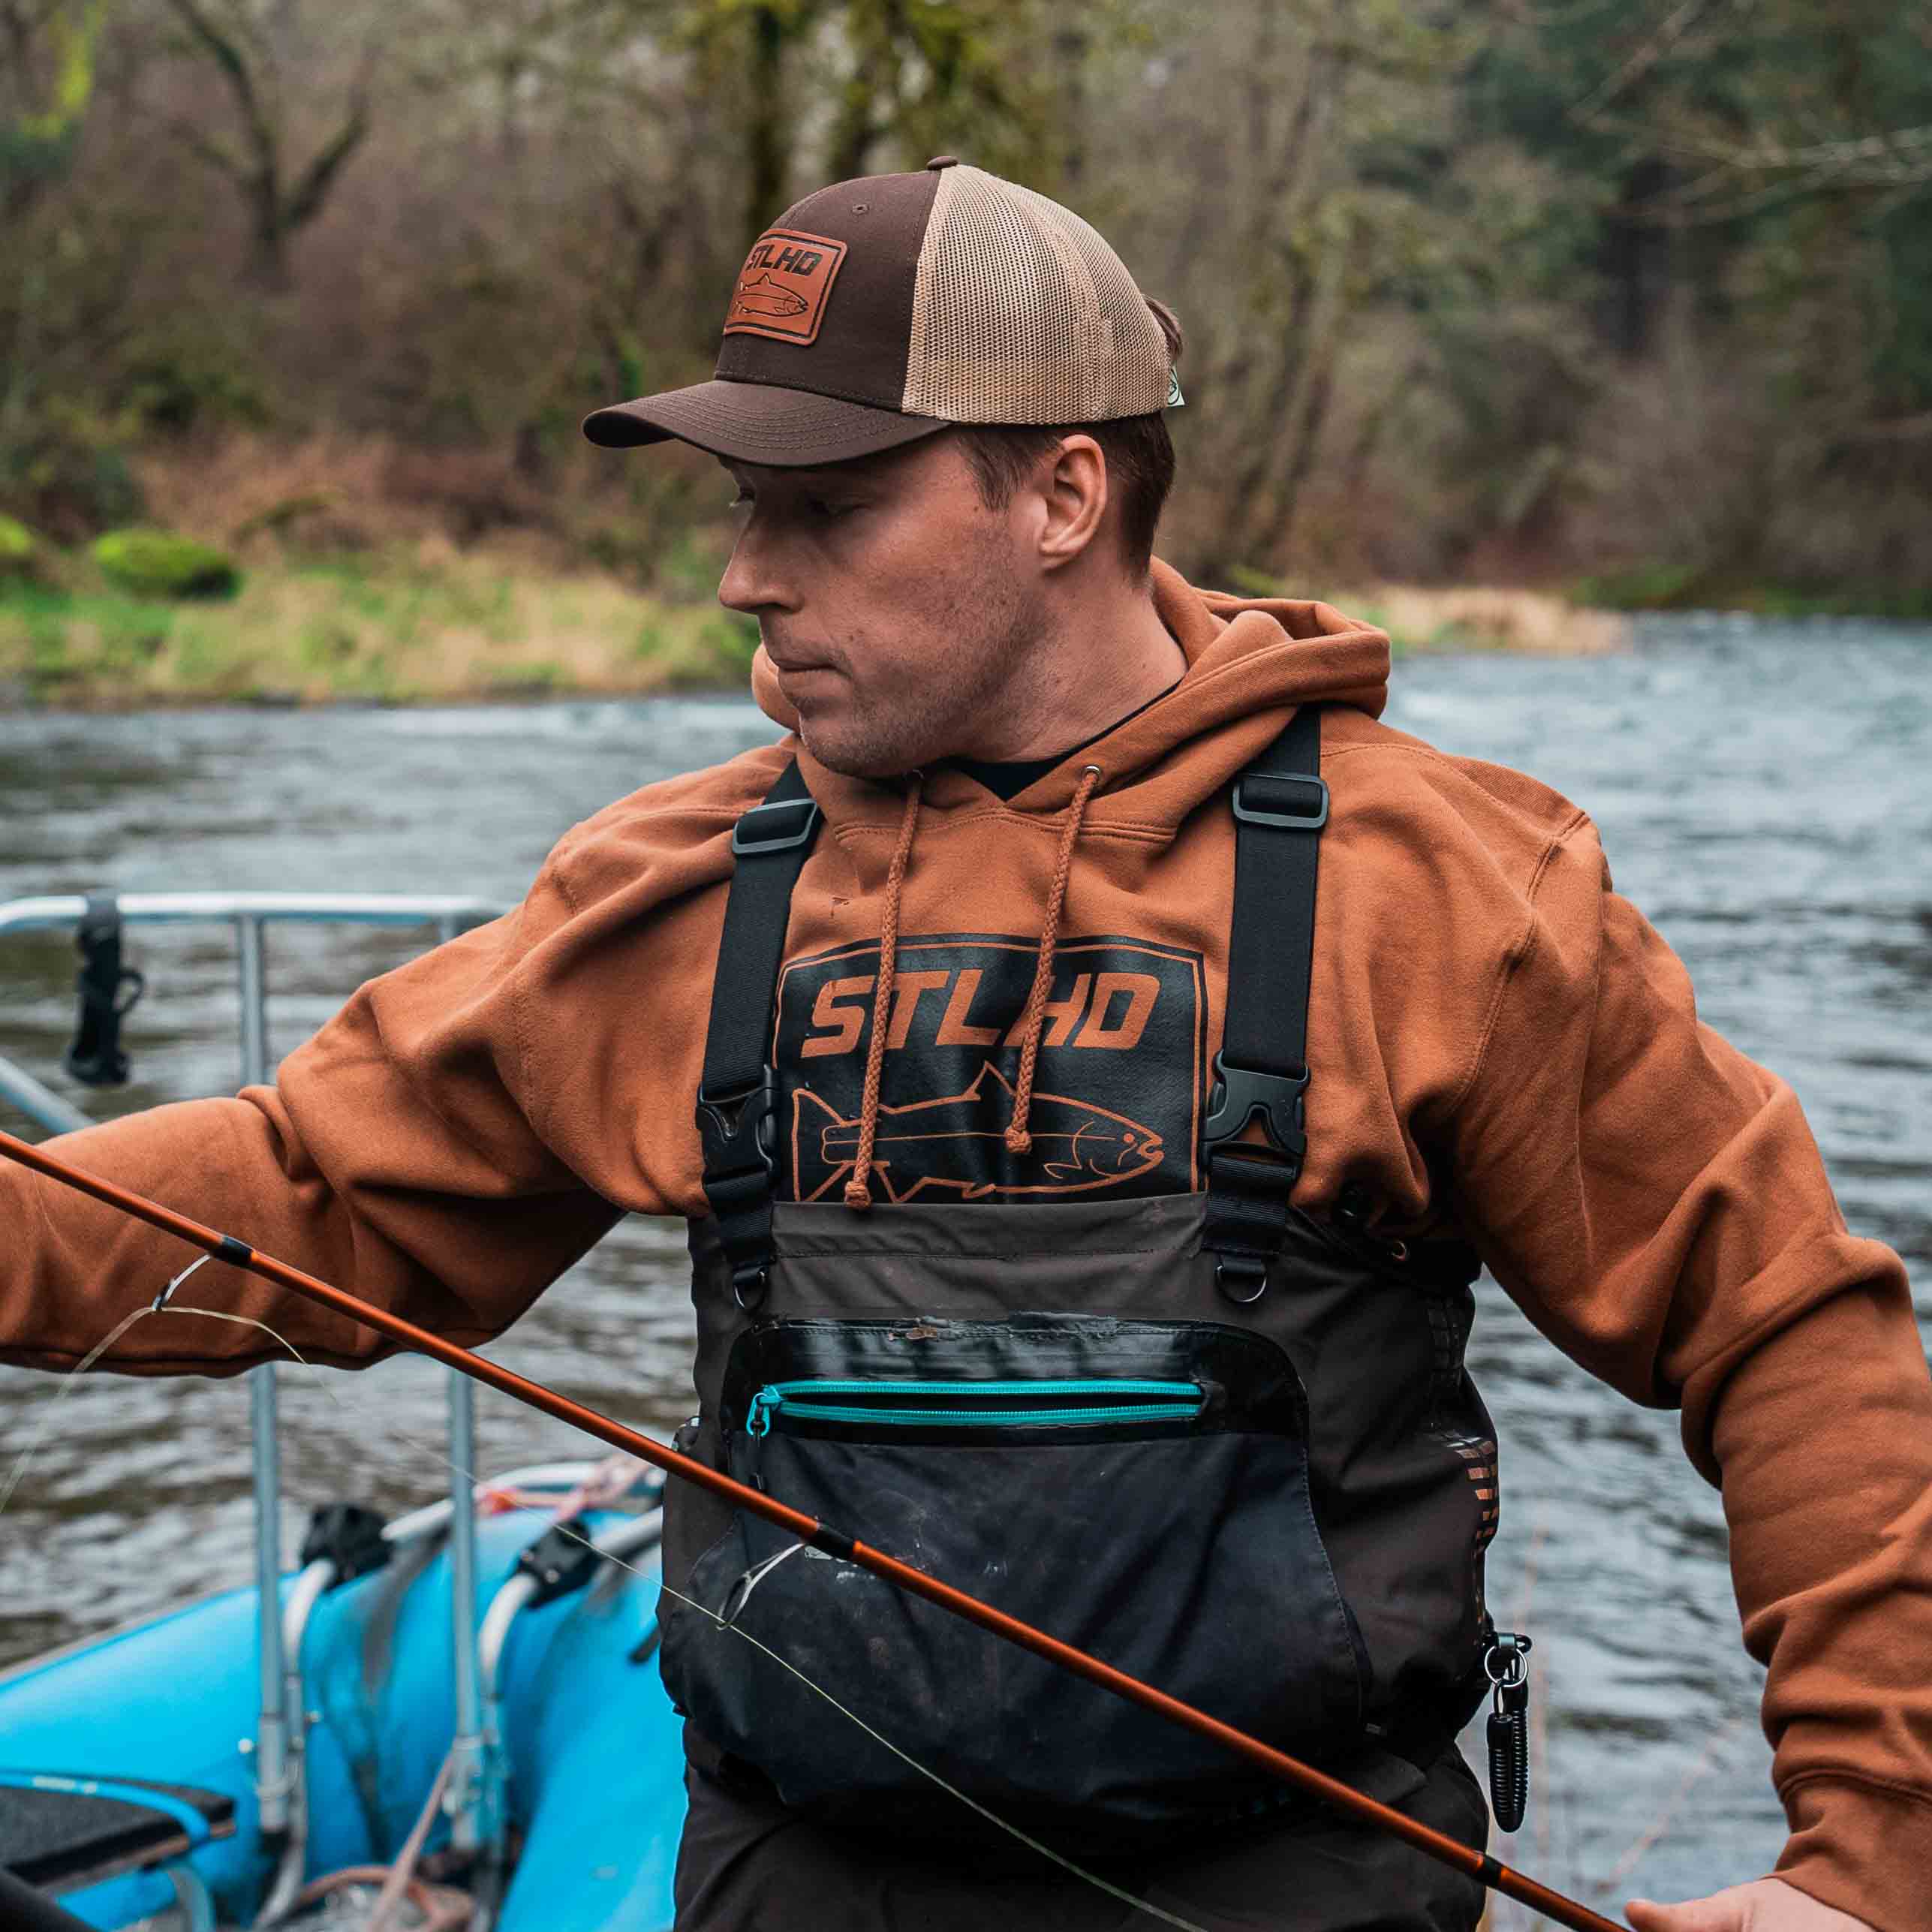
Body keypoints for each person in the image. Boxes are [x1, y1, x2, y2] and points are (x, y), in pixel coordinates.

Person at [2, 158, 1926, 1932]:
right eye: (746, 506)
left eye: (829, 508)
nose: (749, 572)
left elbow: (1784, 1329)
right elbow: (301, 1194)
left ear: (1064, 495)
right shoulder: (670, 894)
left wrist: (1868, 1863)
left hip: (1297, 1889)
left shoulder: (1440, 894)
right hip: (794, 1873)